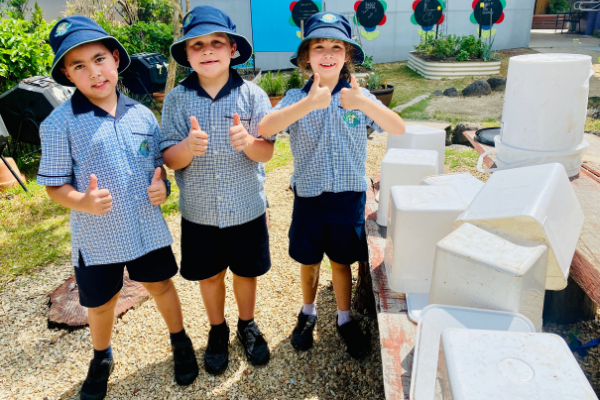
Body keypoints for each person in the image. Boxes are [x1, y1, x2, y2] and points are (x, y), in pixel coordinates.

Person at [37, 16, 198, 400]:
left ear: (114, 58)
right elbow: (54, 187)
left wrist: (163, 188)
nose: (93, 73)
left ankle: (180, 340)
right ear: (66, 73)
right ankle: (101, 356)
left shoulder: (142, 115)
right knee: (101, 301)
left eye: (98, 59)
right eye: (79, 66)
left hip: (146, 228)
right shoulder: (59, 124)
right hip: (97, 237)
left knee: (160, 285)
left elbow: (158, 168)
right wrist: (82, 202)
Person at [258, 12, 406, 359]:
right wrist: (309, 104)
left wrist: (364, 103)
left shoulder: (358, 95)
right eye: (319, 47)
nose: (327, 54)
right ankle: (307, 311)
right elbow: (266, 128)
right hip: (309, 197)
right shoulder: (296, 96)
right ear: (307, 57)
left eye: (335, 47)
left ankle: (343, 317)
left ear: (347, 55)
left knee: (341, 262)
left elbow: (397, 128)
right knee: (308, 261)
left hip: (348, 198)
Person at [159, 6, 275, 375]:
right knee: (210, 276)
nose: (207, 50)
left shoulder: (253, 96)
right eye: (197, 45)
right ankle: (217, 329)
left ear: (233, 50)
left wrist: (248, 143)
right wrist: (186, 148)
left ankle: (246, 324)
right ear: (187, 53)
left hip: (246, 208)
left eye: (216, 43)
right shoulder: (177, 100)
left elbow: (267, 151)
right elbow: (169, 158)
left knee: (245, 272)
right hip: (199, 211)